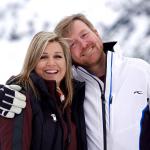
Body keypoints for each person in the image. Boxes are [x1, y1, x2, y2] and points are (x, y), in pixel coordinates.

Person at [0, 13, 150, 150]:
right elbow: (31, 82)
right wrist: (8, 91)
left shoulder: (140, 70)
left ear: (96, 32)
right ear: (68, 54)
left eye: (84, 35)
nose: (83, 45)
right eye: (72, 44)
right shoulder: (70, 84)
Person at [0, 31, 87, 150]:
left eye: (58, 56)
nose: (51, 63)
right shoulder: (20, 97)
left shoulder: (70, 99)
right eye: (43, 57)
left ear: (66, 62)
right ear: (33, 62)